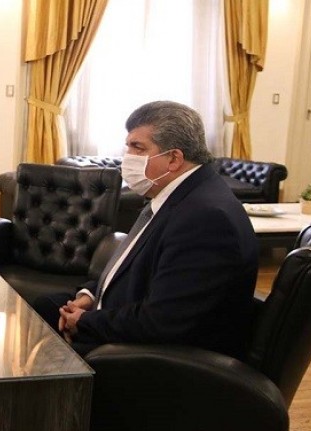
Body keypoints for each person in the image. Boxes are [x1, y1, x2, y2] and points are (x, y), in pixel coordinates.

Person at [32, 101, 258, 359]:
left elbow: (163, 321)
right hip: (132, 311)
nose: (127, 157)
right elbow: (135, 267)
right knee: (45, 306)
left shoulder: (206, 219)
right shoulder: (177, 194)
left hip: (161, 358)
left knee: (42, 343)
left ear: (174, 158)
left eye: (137, 148)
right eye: (128, 146)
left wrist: (85, 322)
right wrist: (90, 295)